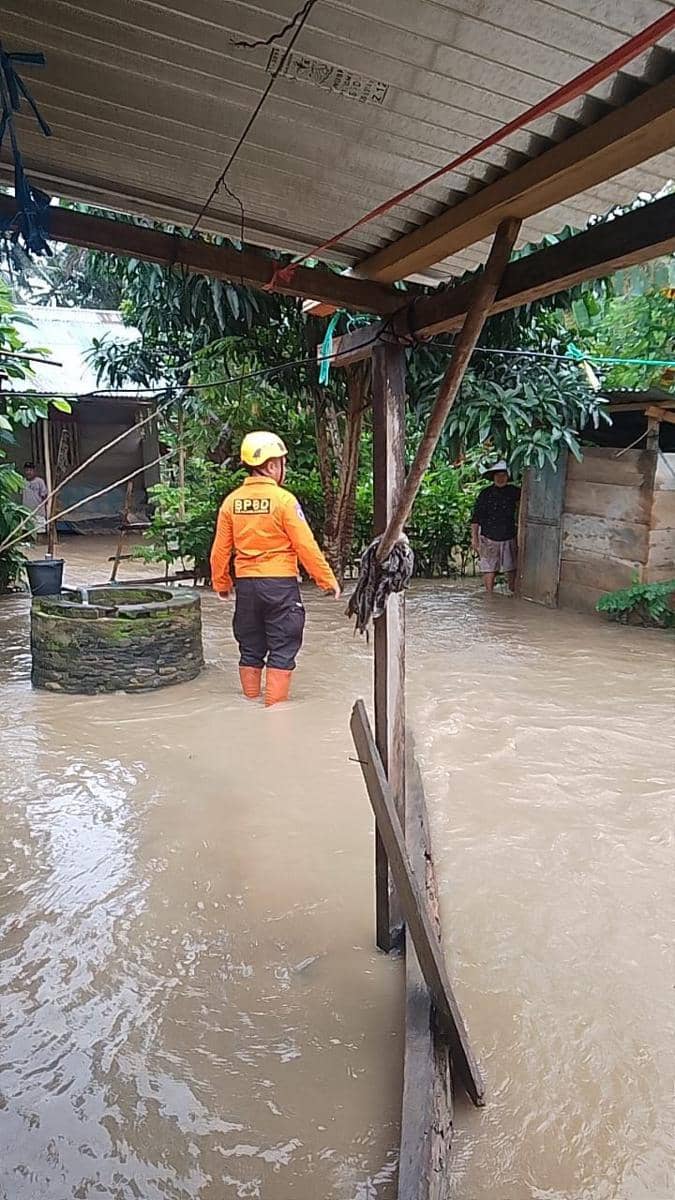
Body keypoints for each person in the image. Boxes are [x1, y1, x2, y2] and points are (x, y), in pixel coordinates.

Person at [210, 431, 340, 706]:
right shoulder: (284, 501)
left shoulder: (231, 503)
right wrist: (326, 580)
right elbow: (306, 545)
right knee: (282, 648)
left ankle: (249, 706)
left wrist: (221, 584)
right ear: (270, 466)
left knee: (250, 648)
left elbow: (220, 550)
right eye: (282, 463)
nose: (285, 468)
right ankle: (275, 717)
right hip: (280, 586)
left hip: (246, 588)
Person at [470, 460, 521, 594]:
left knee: (512, 567)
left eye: (503, 475)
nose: (500, 478)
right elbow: (475, 518)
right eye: (498, 475)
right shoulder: (485, 494)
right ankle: (489, 594)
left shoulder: (515, 492)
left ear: (508, 477)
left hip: (509, 535)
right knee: (489, 567)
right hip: (488, 536)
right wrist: (474, 539)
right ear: (493, 477)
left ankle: (513, 591)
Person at [22, 462, 49, 536]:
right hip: (26, 512)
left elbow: (44, 496)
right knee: (26, 532)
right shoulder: (22, 481)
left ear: (34, 471)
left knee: (39, 532)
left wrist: (44, 508)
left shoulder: (40, 481)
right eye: (27, 470)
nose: (28, 472)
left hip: (38, 512)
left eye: (30, 470)